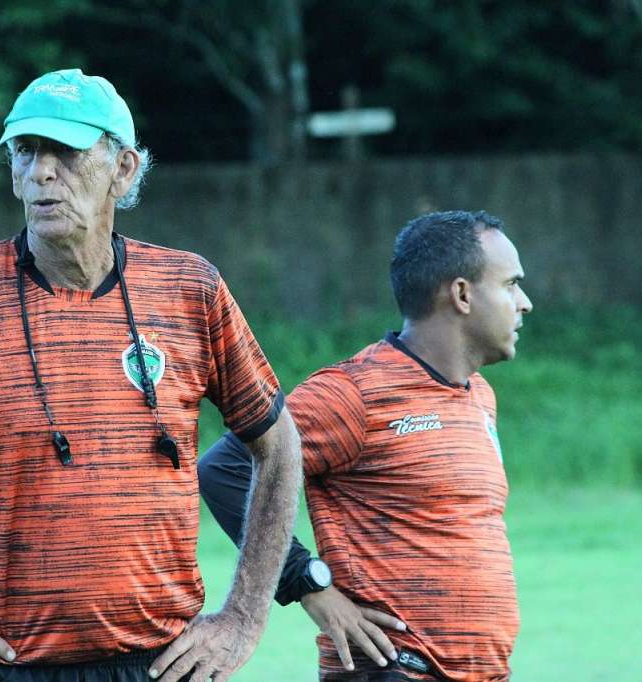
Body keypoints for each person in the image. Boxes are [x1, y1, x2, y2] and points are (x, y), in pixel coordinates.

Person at [0, 68, 302, 682]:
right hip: (0, 664)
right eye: (26, 151)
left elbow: (278, 445)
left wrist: (245, 616)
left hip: (162, 664)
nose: (41, 171)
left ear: (123, 169)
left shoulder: (190, 290)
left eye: (65, 151)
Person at [199, 210, 532, 681]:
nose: (525, 303)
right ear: (461, 294)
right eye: (511, 284)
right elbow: (226, 468)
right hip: (392, 670)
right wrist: (306, 581)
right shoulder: (354, 393)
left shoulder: (479, 395)